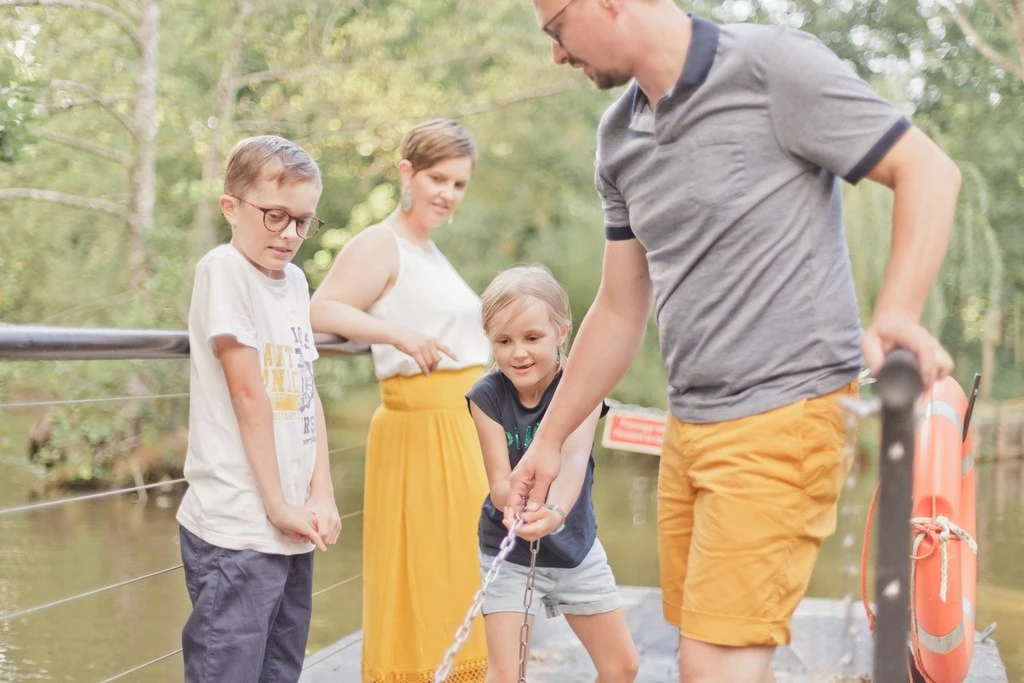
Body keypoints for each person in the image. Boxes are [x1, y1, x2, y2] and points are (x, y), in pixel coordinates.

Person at [511, 2, 962, 682]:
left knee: (713, 665)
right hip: (688, 429)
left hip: (786, 415)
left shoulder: (771, 66)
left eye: (555, 29)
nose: (556, 53)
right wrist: (549, 438)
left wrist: (898, 309)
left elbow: (927, 169)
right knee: (712, 648)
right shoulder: (619, 134)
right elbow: (618, 308)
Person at [310, 118, 490, 682]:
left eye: (459, 184)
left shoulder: (431, 251)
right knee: (429, 572)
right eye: (438, 178)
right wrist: (398, 335)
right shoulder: (380, 243)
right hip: (421, 429)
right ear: (406, 173)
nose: (448, 194)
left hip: (463, 428)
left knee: (464, 570)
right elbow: (320, 311)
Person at [176, 135, 343, 683]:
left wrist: (320, 493)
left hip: (292, 521)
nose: (291, 234)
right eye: (275, 216)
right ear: (232, 207)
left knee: (281, 668)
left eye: (303, 221)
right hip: (238, 525)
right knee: (229, 670)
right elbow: (248, 393)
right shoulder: (223, 269)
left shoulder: (294, 280)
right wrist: (274, 504)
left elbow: (305, 388)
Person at [467, 265, 639, 683]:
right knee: (506, 675)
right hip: (506, 554)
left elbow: (575, 459)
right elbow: (500, 481)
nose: (518, 353)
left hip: (575, 549)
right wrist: (517, 510)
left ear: (562, 332)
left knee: (621, 668)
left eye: (532, 338)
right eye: (503, 341)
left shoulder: (581, 387)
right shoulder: (485, 396)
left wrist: (556, 512)